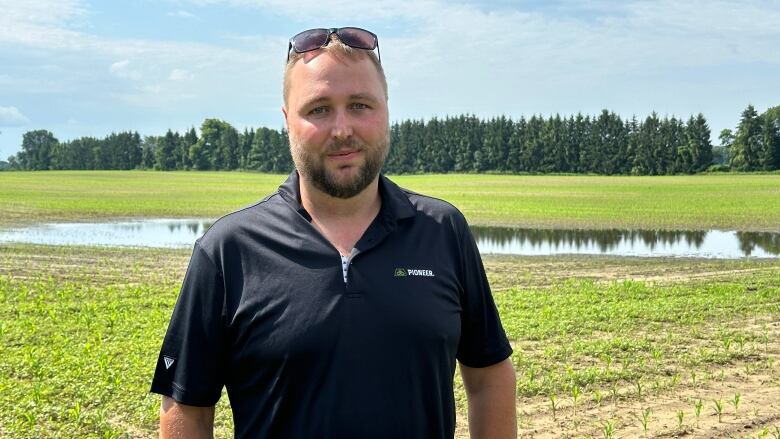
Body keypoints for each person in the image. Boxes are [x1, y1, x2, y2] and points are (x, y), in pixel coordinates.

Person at [151, 27, 517, 438]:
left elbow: (489, 376)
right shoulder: (228, 249)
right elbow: (187, 408)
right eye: (319, 109)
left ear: (386, 110)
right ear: (287, 121)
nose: (342, 129)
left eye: (360, 105)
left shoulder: (442, 230)